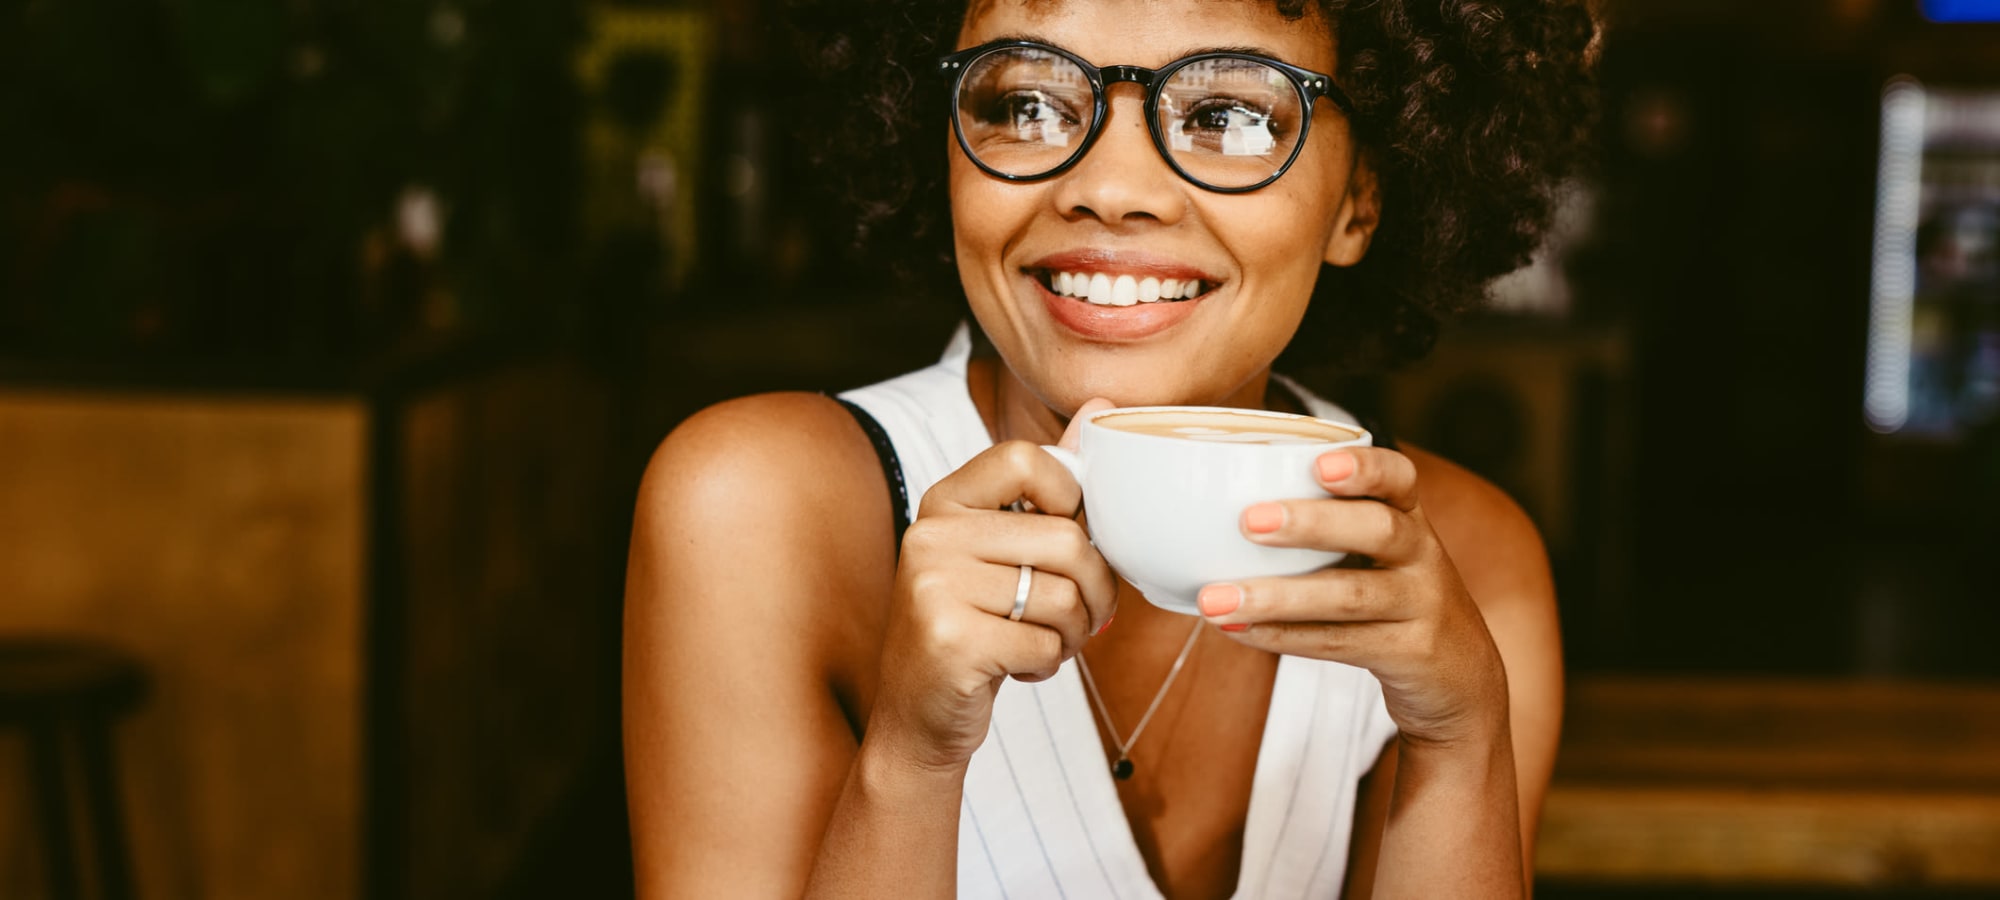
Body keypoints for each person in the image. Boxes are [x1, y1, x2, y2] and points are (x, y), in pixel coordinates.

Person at [623, 0, 1596, 896]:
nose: (1111, 189)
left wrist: (1459, 742)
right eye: (1028, 101)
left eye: (1229, 116)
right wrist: (911, 762)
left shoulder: (1469, 570)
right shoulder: (753, 515)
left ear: (1359, 200)